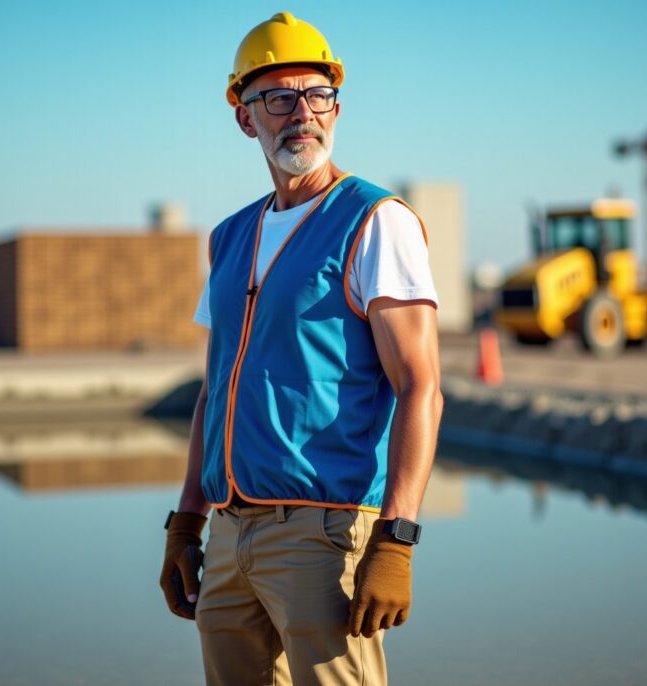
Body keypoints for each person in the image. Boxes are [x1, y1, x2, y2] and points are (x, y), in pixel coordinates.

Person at [159, 11, 443, 685]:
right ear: (244, 117)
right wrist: (186, 523)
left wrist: (397, 539)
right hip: (229, 534)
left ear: (336, 107)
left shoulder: (375, 221)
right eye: (279, 99)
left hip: (324, 534)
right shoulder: (229, 237)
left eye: (318, 95)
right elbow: (215, 390)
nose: (303, 114)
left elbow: (421, 387)